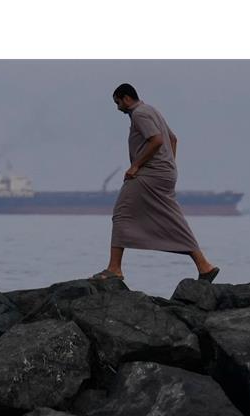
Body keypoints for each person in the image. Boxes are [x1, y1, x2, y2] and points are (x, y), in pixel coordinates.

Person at [93, 83, 220, 283]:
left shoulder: (139, 114)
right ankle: (204, 266)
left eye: (117, 102)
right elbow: (173, 139)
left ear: (126, 98)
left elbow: (157, 140)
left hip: (149, 174)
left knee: (121, 212)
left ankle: (114, 268)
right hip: (164, 174)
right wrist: (168, 165)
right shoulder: (152, 110)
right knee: (173, 219)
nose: (117, 108)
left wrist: (135, 166)